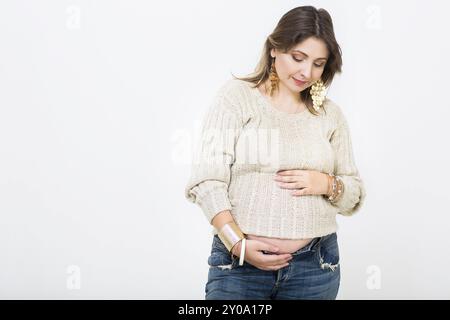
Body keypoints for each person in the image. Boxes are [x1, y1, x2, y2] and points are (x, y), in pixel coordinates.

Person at [184, 5, 366, 300]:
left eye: (319, 63)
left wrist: (327, 184)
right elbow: (207, 180)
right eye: (298, 57)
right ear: (274, 49)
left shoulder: (331, 116)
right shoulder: (237, 97)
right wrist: (236, 244)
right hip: (238, 266)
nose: (307, 72)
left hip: (315, 268)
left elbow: (353, 194)